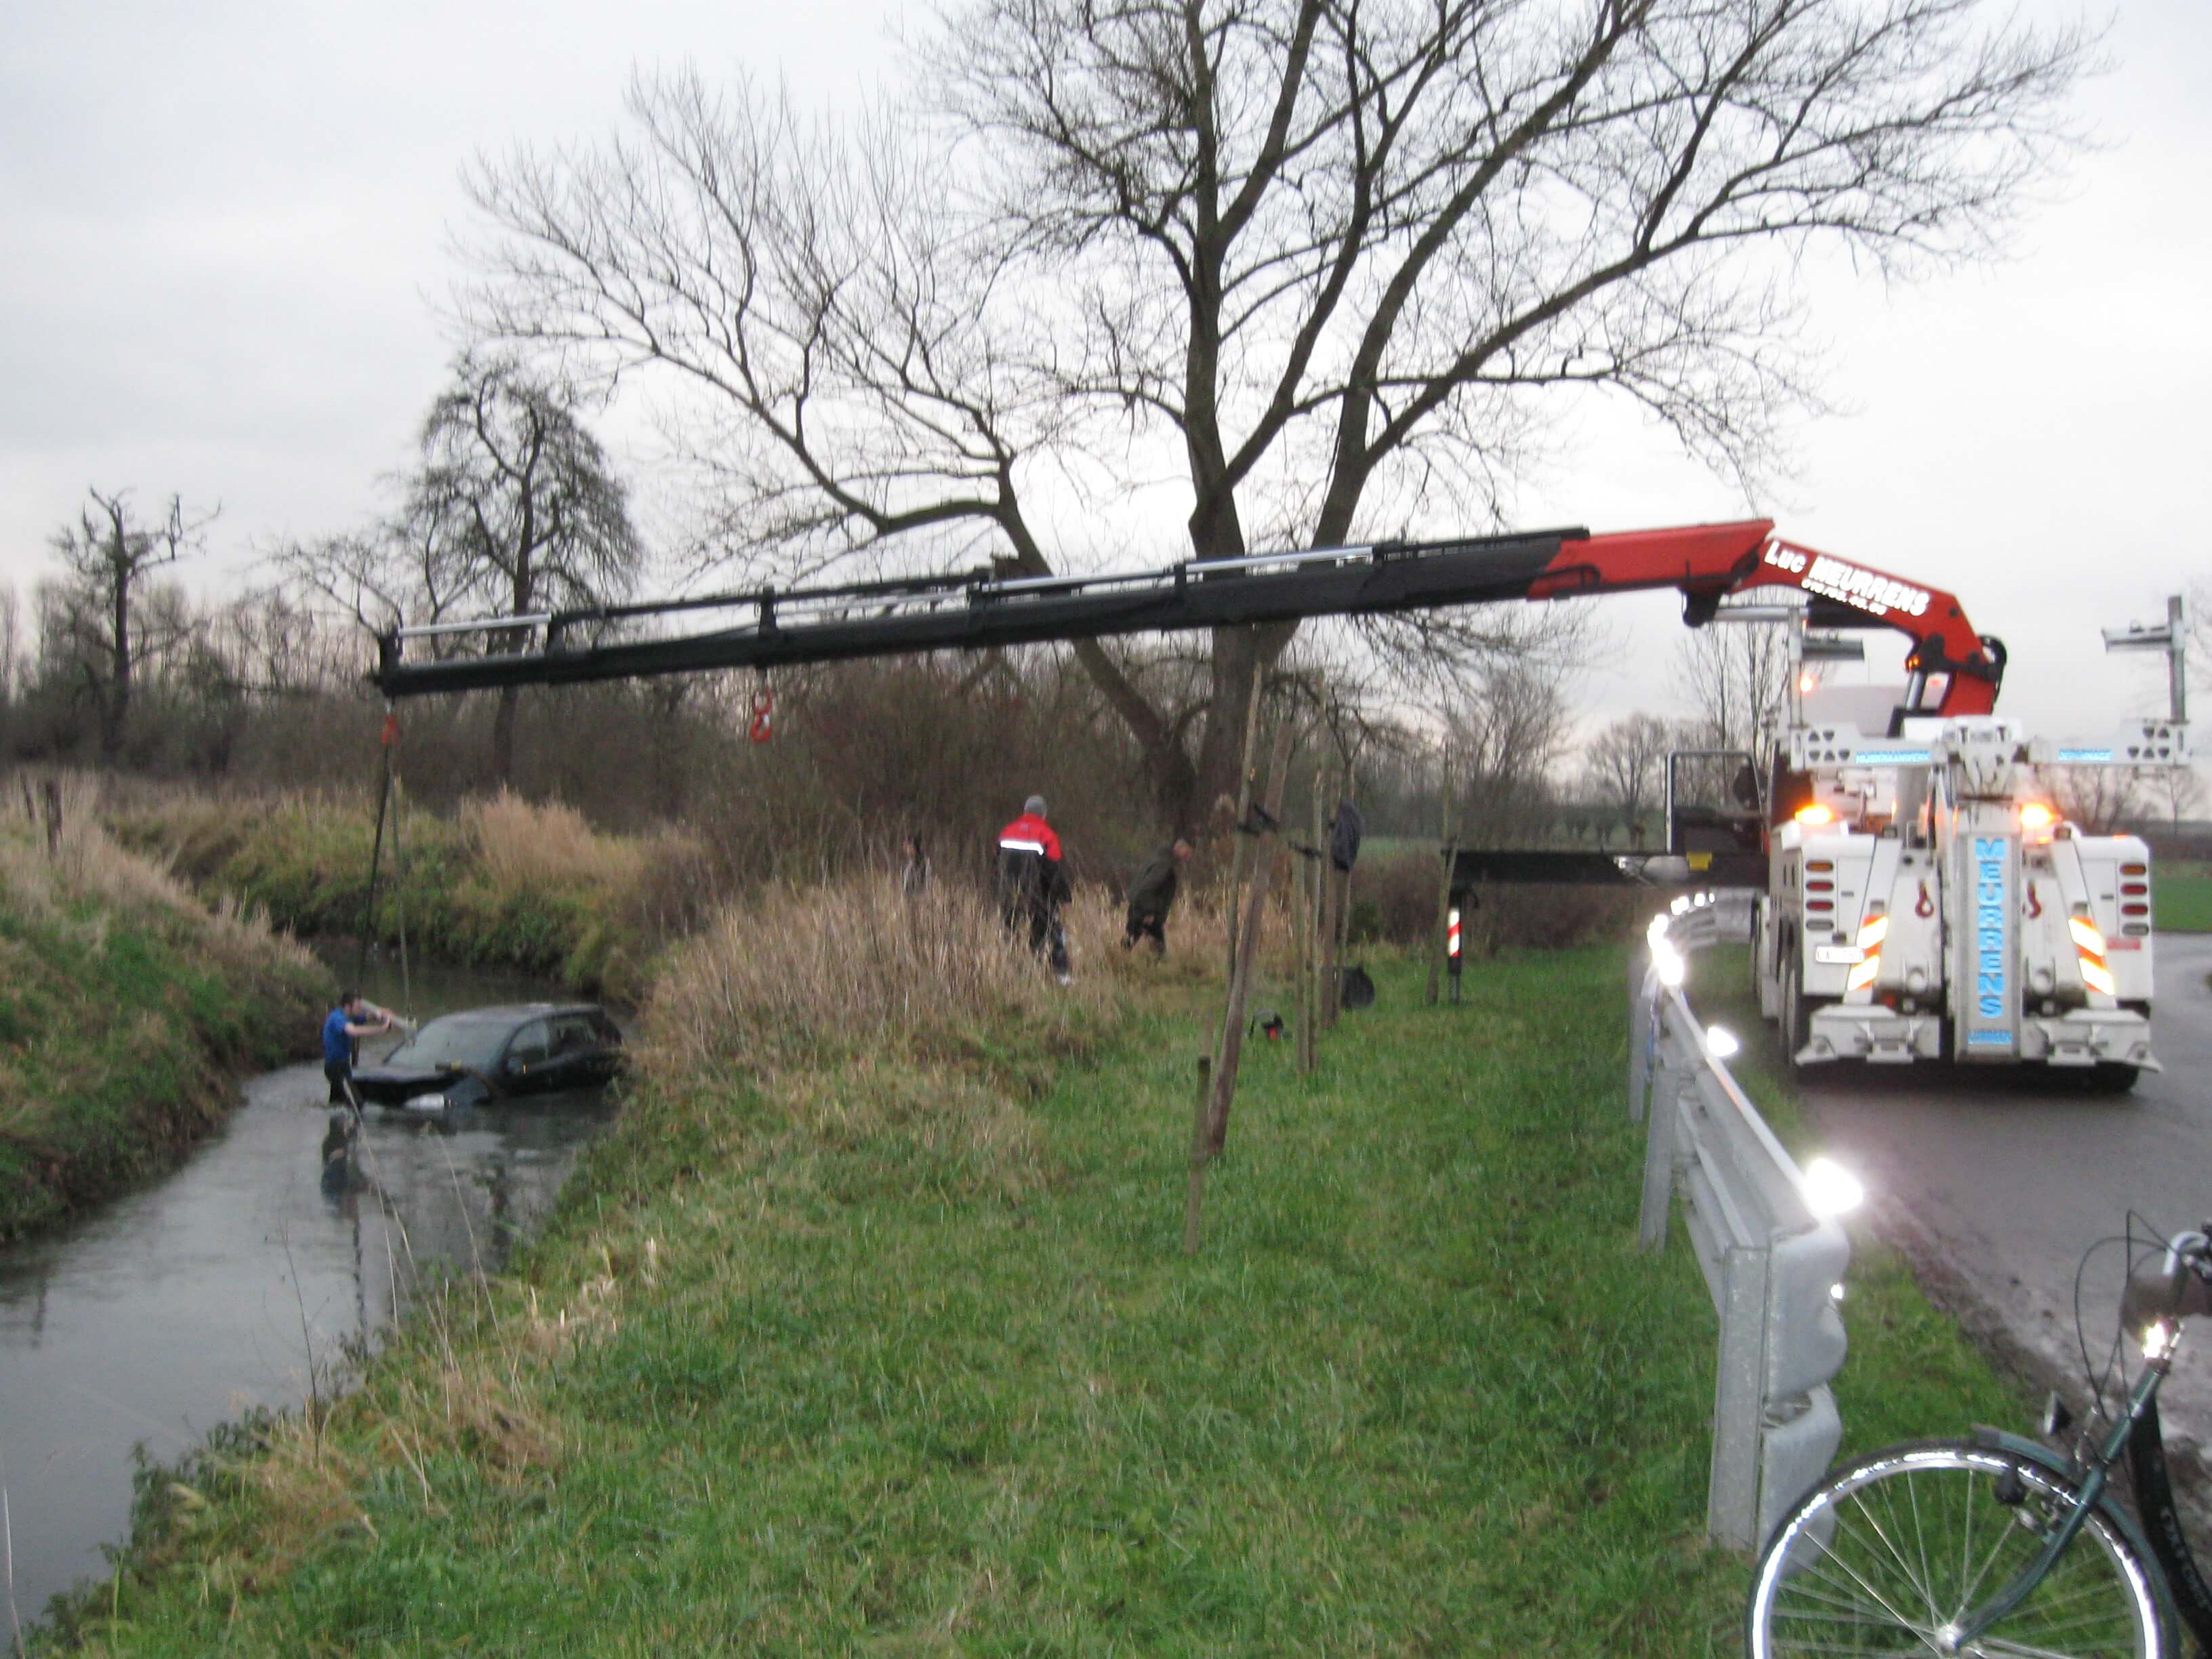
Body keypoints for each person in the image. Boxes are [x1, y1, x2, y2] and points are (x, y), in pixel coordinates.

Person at [994, 794, 1072, 983]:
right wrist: (1064, 898)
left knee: (1011, 933)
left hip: (1009, 894)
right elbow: (1054, 870)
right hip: (1038, 895)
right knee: (1054, 932)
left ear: (1025, 812)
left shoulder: (1006, 832)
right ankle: (1061, 975)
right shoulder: (1047, 835)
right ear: (1043, 815)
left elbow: (997, 862)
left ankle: (1013, 973)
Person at [1122, 838, 1193, 956]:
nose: (1188, 857)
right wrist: (1149, 912)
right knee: (1157, 950)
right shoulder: (1164, 865)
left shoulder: (1161, 859)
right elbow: (1147, 889)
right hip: (1145, 912)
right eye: (1187, 853)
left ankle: (1115, 961)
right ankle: (1116, 962)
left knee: (1130, 942)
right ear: (1178, 849)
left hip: (1140, 908)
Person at [322, 989, 394, 1105]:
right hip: (335, 1069)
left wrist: (381, 1013)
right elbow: (353, 1031)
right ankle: (352, 1123)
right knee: (357, 1103)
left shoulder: (350, 1016)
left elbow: (367, 1016)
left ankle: (336, 1123)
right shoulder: (338, 1018)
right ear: (347, 1006)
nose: (360, 1009)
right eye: (357, 1007)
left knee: (337, 1104)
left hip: (344, 1066)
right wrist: (381, 1029)